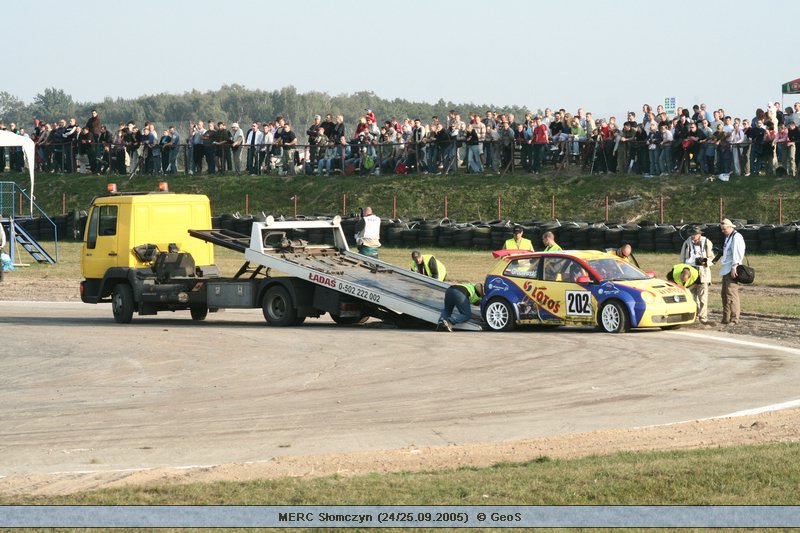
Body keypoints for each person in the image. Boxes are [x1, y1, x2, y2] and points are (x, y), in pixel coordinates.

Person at [679, 226, 716, 325]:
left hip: (703, 271)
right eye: (691, 234)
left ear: (699, 234)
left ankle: (703, 317)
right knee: (691, 295)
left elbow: (712, 258)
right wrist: (683, 270)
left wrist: (705, 262)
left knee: (703, 296)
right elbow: (682, 258)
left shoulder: (706, 242)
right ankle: (694, 315)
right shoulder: (686, 243)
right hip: (690, 271)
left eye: (694, 234)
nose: (692, 236)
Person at [719, 218, 746, 326]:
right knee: (724, 295)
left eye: (724, 229)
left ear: (730, 227)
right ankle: (726, 318)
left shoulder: (736, 237)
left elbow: (738, 253)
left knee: (732, 294)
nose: (723, 231)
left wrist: (735, 266)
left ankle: (734, 319)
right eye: (721, 229)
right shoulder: (728, 237)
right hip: (725, 269)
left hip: (732, 269)